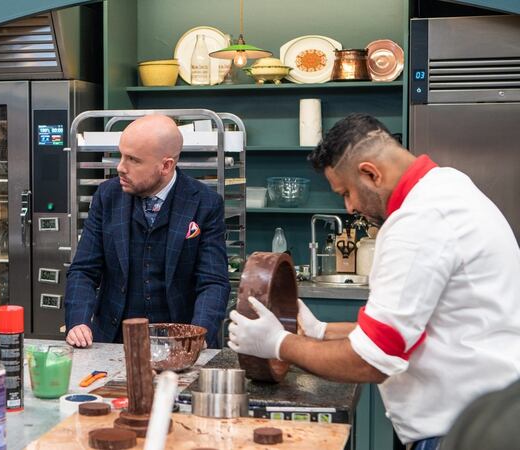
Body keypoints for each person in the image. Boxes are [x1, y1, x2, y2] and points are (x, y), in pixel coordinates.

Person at [228, 113, 520, 448]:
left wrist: (279, 344)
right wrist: (321, 331)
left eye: (347, 192)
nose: (349, 207)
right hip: (484, 418)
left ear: (370, 173)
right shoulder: (447, 187)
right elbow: (416, 330)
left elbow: (373, 359)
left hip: (460, 432)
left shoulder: (418, 222)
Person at [65, 114, 230, 348]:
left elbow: (213, 282)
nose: (121, 167)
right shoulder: (107, 196)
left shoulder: (205, 203)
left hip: (180, 343)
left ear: (166, 165)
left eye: (133, 160)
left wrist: (198, 333)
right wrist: (78, 322)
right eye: (121, 155)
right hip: (112, 340)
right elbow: (83, 270)